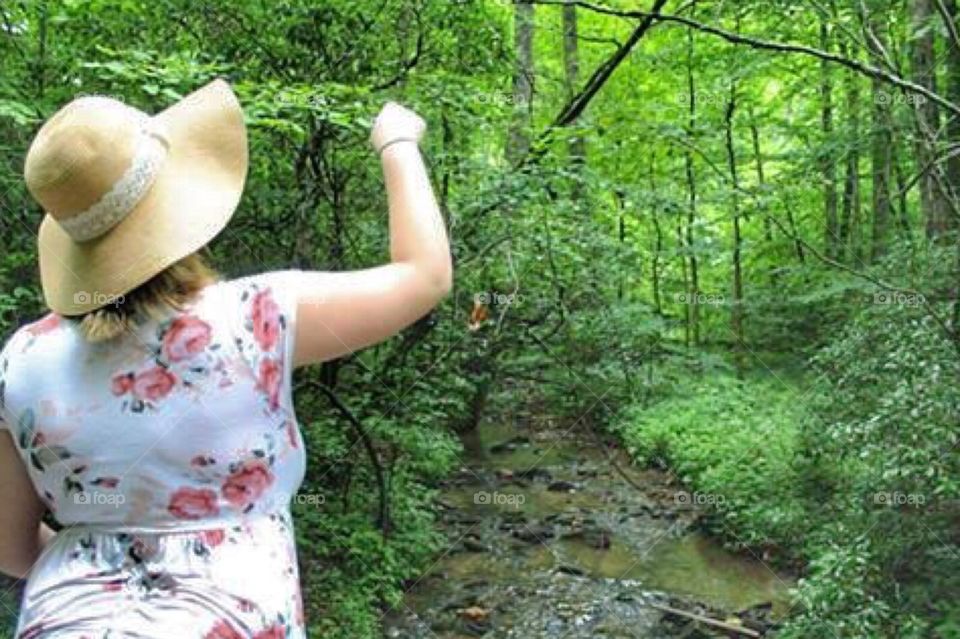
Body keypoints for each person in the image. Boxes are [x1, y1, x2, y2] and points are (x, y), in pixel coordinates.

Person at [0, 78, 452, 638]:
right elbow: (424, 275)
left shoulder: (20, 359)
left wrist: (96, 564)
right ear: (176, 204)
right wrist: (397, 142)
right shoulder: (255, 318)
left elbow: (13, 547)